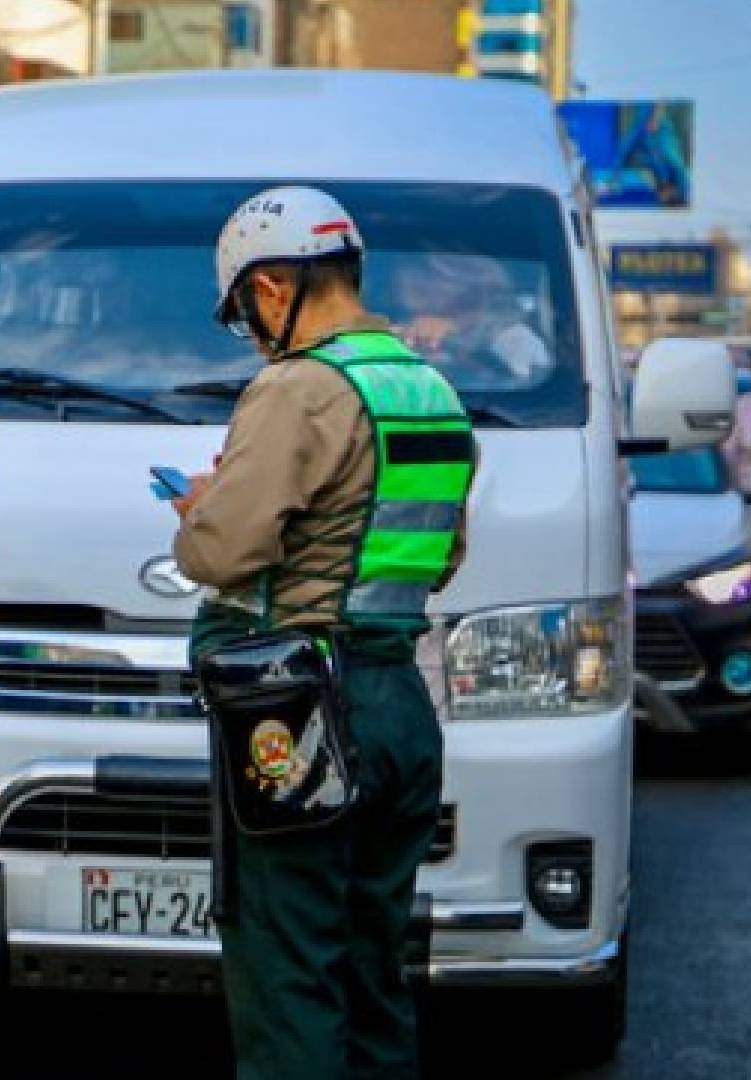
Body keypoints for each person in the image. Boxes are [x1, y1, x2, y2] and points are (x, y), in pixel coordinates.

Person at [171, 186, 476, 1080]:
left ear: (272, 289)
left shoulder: (298, 388)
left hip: (297, 709)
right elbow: (438, 556)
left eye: (245, 315)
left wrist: (199, 510)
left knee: (288, 972)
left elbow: (221, 553)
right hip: (399, 708)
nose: (254, 335)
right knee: (374, 967)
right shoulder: (430, 391)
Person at [394, 250, 553, 389]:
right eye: (410, 268)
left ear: (471, 284)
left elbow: (521, 403)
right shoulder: (388, 328)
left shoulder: (514, 339)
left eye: (429, 273)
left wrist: (457, 348)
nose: (413, 280)